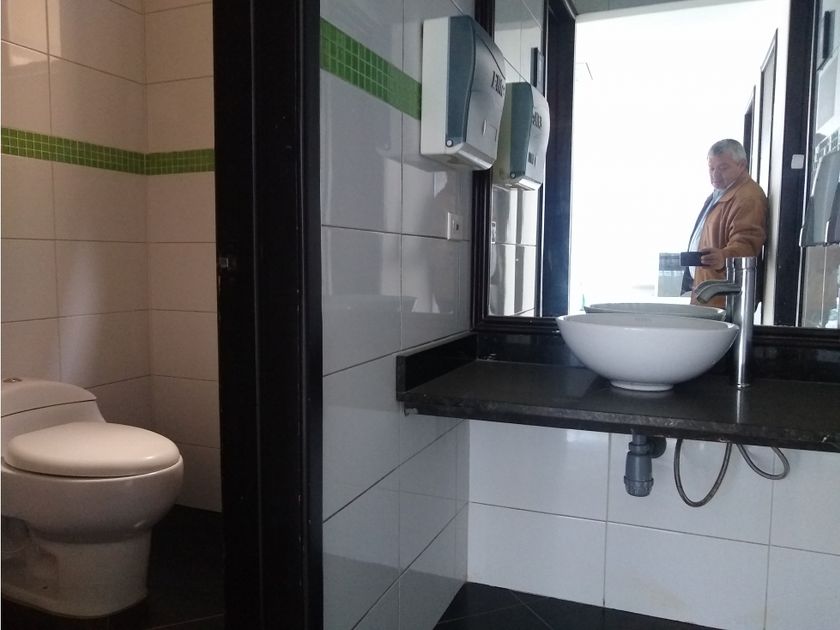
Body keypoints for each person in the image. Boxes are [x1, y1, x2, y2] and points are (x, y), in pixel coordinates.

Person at [681, 139, 768, 307]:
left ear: (742, 165)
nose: (715, 175)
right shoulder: (721, 193)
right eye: (711, 168)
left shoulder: (747, 198)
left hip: (723, 300)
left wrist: (724, 256)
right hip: (708, 294)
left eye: (723, 168)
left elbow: (747, 245)